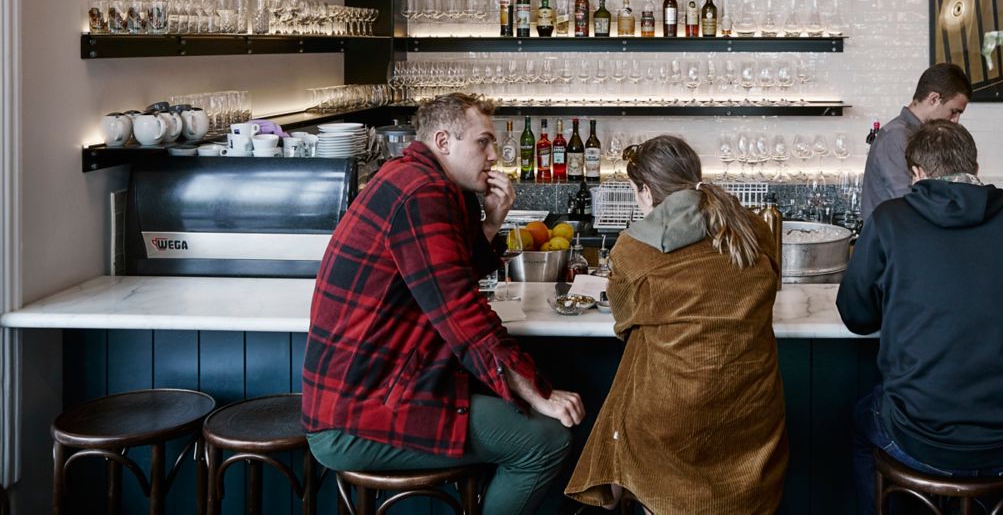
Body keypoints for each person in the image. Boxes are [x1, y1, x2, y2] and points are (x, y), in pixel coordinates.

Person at [302, 93, 584, 515]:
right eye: (483, 142)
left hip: (371, 391)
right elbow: (461, 313)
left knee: (520, 416)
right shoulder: (424, 193)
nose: (494, 155)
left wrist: (490, 223)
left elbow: (442, 279)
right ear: (443, 141)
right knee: (545, 441)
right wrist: (537, 391)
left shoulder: (411, 177)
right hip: (359, 413)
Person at [838, 120, 1003, 514]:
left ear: (917, 174)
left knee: (859, 425)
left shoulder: (889, 220)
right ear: (974, 165)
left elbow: (857, 317)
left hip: (919, 437)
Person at [566, 135, 788, 514]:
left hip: (674, 427)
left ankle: (613, 489)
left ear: (647, 192)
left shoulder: (633, 249)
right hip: (755, 417)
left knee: (638, 361)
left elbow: (623, 319)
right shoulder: (753, 228)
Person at [861, 63, 971, 221]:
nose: (955, 121)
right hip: (888, 241)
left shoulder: (922, 136)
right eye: (953, 112)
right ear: (934, 99)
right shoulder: (896, 136)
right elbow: (906, 202)